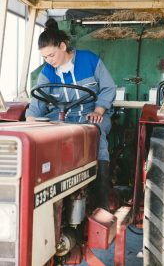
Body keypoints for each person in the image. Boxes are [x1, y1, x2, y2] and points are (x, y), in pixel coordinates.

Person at [26, 18, 116, 210]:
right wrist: (30, 120)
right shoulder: (47, 72)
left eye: (51, 55)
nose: (49, 60)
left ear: (62, 46)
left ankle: (101, 205)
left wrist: (99, 109)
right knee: (44, 139)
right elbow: (38, 101)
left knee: (96, 133)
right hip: (61, 116)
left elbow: (108, 88)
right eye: (45, 58)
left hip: (91, 113)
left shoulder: (89, 60)